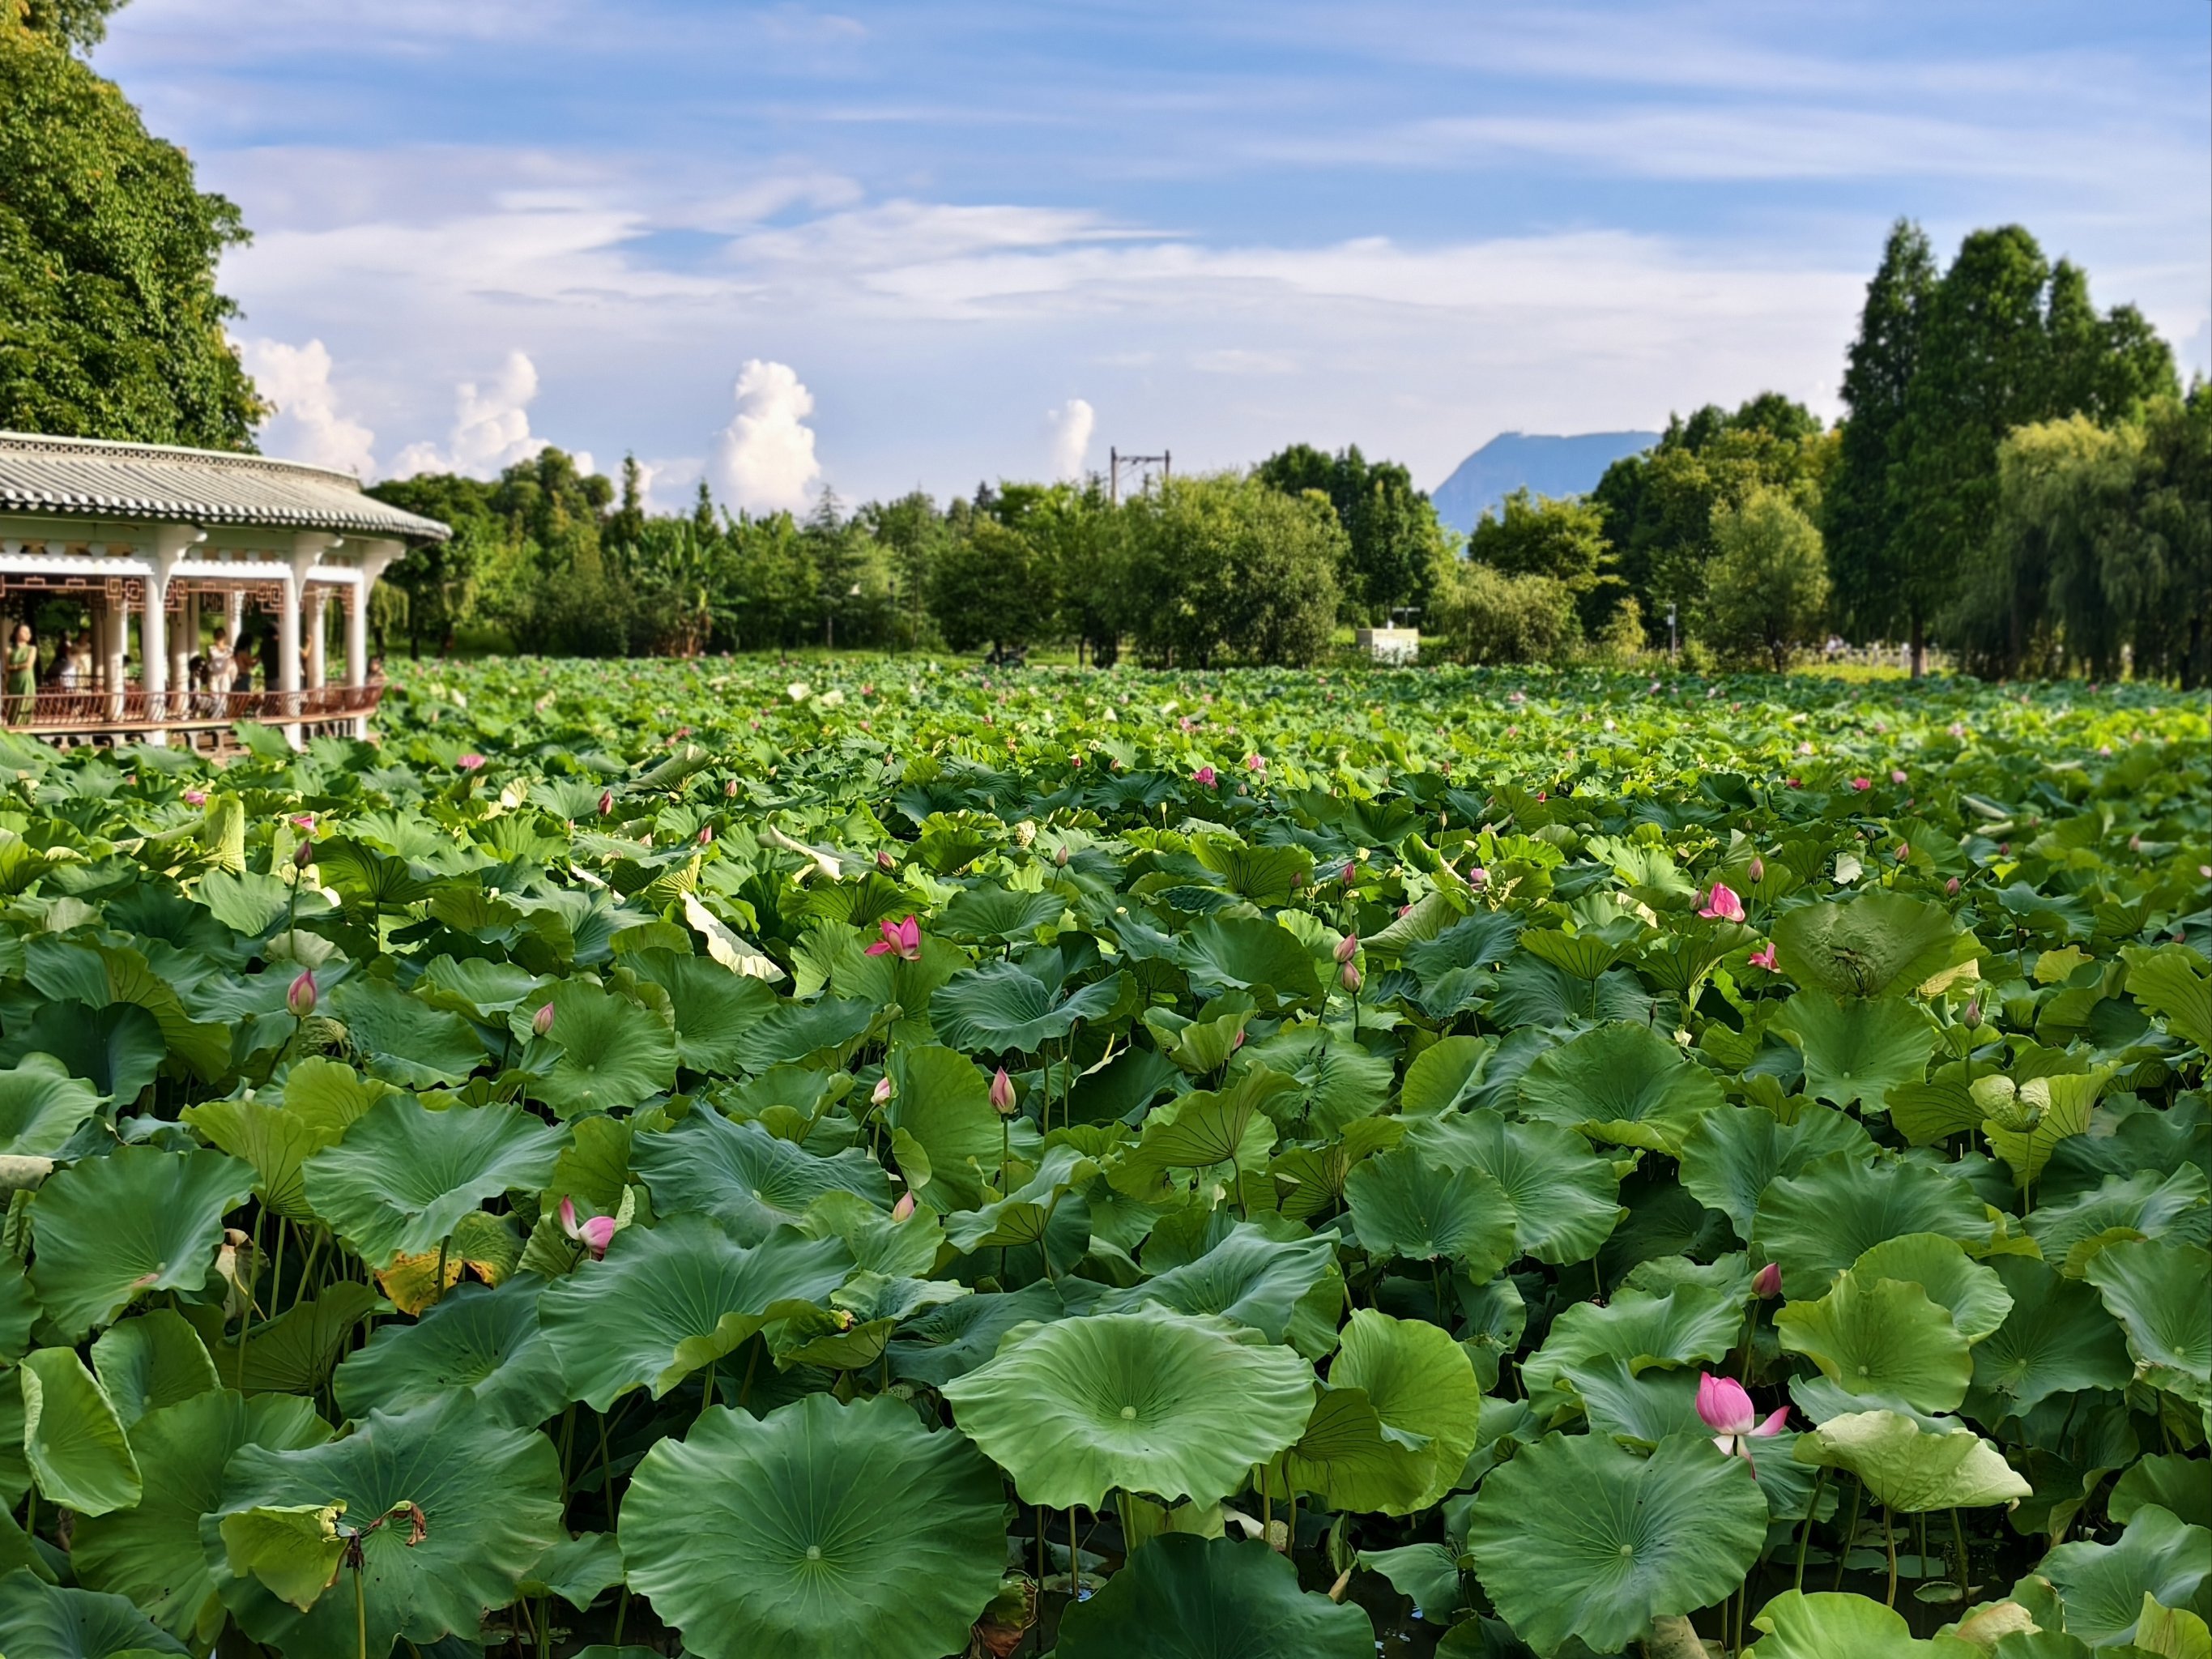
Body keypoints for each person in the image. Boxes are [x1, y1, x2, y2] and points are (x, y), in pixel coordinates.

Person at [4, 624, 36, 725]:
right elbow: (7, 668)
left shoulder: (32, 649)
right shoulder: (9, 650)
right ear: (16, 634)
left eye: (28, 632)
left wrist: (14, 667)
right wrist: (5, 685)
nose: (27, 634)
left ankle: (25, 729)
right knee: (13, 707)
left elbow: (28, 665)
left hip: (26, 680)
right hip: (14, 682)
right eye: (24, 631)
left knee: (25, 704)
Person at [206, 626, 236, 710]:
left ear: (225, 636)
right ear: (214, 636)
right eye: (218, 635)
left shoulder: (230, 650)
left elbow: (233, 663)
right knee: (214, 697)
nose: (220, 637)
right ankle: (215, 716)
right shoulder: (211, 649)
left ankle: (222, 714)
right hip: (214, 675)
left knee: (223, 698)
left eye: (221, 635)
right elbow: (209, 662)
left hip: (224, 675)